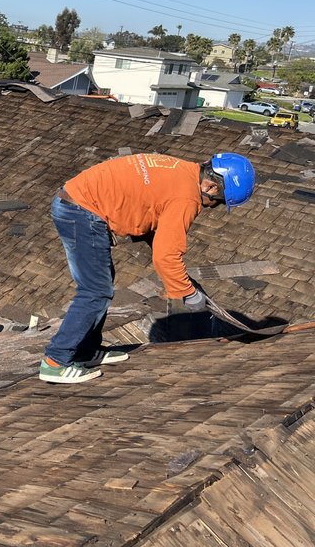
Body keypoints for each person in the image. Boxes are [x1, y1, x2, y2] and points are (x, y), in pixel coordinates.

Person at [40, 152, 255, 384]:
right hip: (81, 211)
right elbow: (165, 256)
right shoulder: (187, 197)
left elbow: (152, 214)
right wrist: (187, 293)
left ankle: (85, 351)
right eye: (217, 203)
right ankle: (56, 361)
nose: (212, 207)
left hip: (77, 201)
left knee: (102, 282)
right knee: (95, 290)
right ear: (212, 187)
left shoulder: (183, 170)